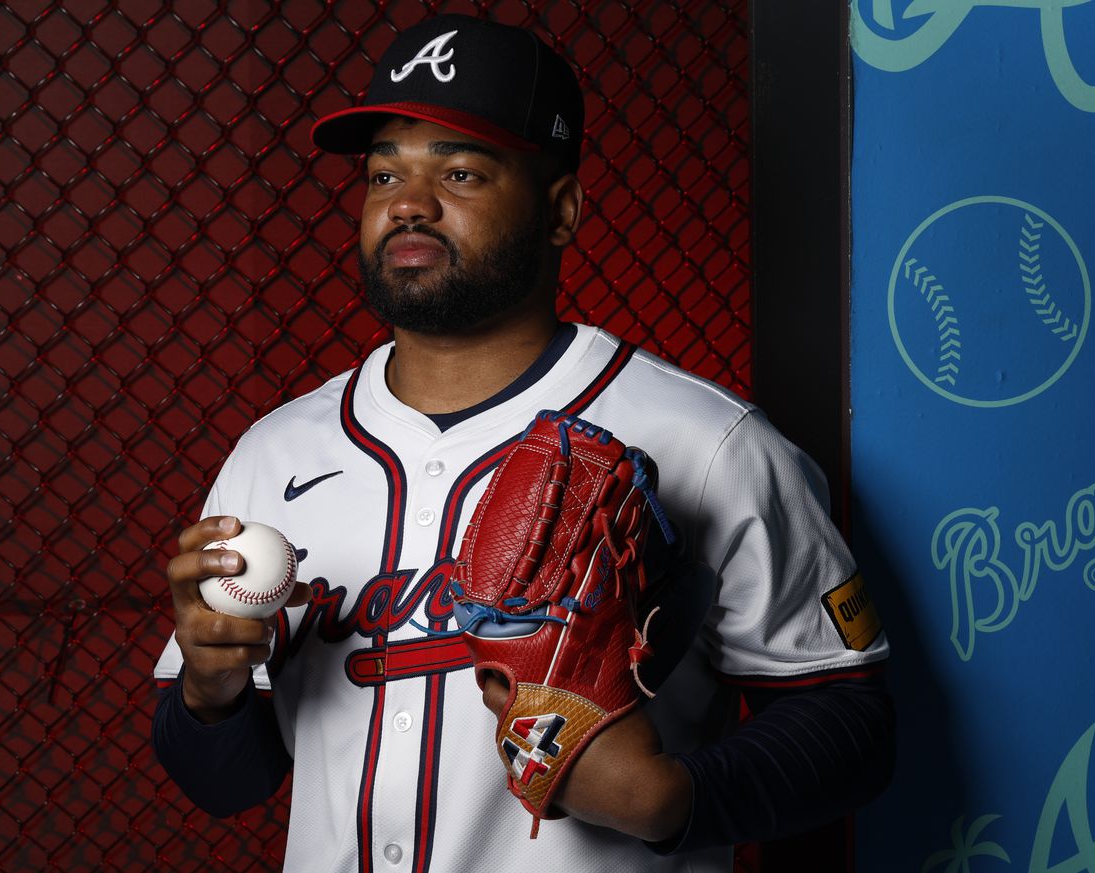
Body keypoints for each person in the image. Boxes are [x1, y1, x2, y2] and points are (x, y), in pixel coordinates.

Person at [152, 14, 894, 873]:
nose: (407, 203)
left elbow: (853, 724)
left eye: (459, 171)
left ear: (561, 210)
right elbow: (224, 785)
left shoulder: (707, 440)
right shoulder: (275, 452)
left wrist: (669, 800)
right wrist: (210, 692)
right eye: (384, 171)